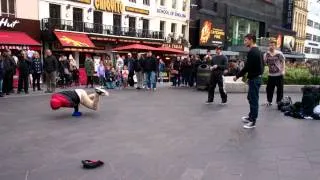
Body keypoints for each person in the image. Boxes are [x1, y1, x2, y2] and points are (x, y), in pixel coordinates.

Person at [234, 34, 264, 129]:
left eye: (246, 40)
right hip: (255, 78)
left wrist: (237, 76)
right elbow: (262, 66)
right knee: (251, 98)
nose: (244, 42)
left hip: (255, 79)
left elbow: (247, 67)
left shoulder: (252, 52)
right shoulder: (258, 51)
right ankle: (251, 116)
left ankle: (253, 121)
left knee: (253, 100)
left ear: (251, 40)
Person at [264, 39, 286, 106]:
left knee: (280, 89)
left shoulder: (279, 53)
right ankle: (269, 101)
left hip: (279, 74)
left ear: (275, 46)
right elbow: (264, 63)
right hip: (271, 75)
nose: (271, 46)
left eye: (273, 45)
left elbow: (283, 61)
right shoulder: (266, 54)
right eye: (270, 45)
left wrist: (283, 70)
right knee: (269, 89)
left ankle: (278, 102)